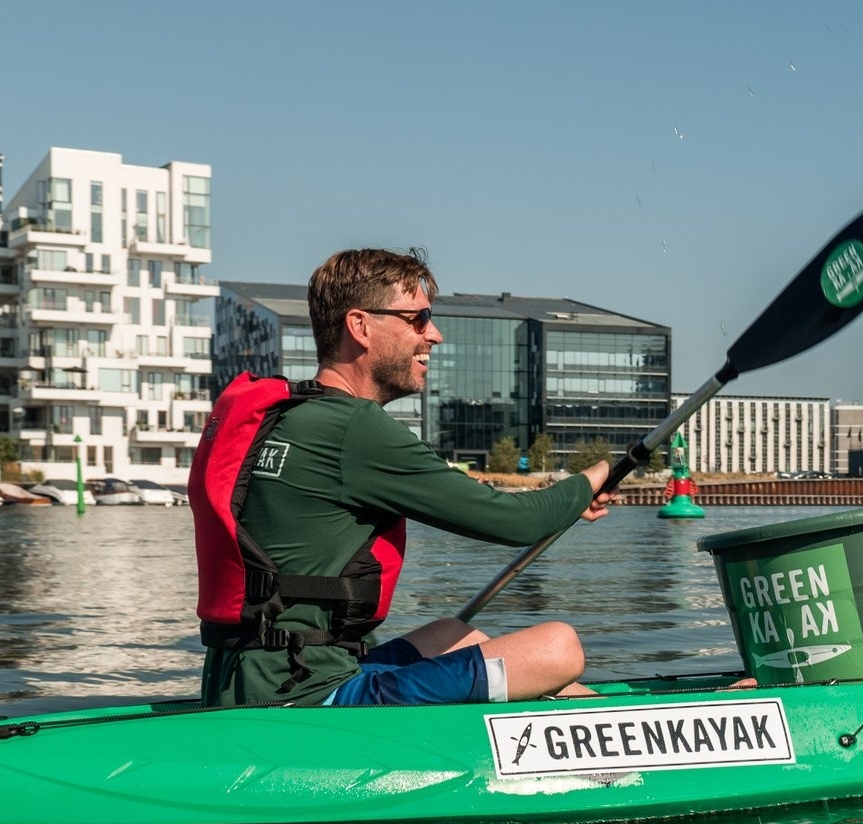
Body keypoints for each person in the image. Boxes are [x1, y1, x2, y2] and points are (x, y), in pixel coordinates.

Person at [191, 247, 616, 707]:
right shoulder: (353, 428)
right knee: (558, 648)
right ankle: (627, 747)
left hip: (249, 678)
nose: (434, 334)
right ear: (360, 326)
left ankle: (606, 723)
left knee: (453, 634)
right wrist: (596, 474)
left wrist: (567, 502)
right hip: (306, 699)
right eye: (417, 319)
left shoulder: (291, 415)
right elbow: (518, 522)